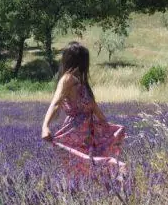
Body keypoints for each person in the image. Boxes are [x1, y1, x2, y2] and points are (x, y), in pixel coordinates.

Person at [41, 42, 126, 177]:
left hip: (88, 132)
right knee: (84, 164)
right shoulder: (67, 79)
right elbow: (55, 103)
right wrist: (45, 127)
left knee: (86, 168)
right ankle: (117, 171)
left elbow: (93, 106)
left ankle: (104, 189)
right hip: (75, 131)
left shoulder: (80, 81)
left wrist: (106, 125)